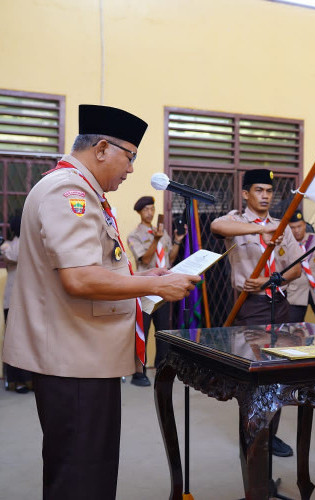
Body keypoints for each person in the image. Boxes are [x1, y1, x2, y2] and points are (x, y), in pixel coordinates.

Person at [1, 104, 200, 500]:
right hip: (74, 359)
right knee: (81, 474)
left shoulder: (80, 190)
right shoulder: (69, 191)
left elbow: (91, 267)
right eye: (131, 157)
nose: (130, 170)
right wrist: (155, 289)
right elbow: (78, 278)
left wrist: (141, 279)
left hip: (83, 355)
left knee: (87, 465)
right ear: (103, 148)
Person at [210, 168, 302, 458]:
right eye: (259, 190)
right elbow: (217, 227)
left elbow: (296, 269)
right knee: (254, 377)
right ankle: (251, 435)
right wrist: (262, 230)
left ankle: (270, 434)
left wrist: (271, 279)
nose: (265, 196)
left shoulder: (282, 225)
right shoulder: (236, 220)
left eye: (269, 191)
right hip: (251, 307)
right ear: (246, 193)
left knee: (279, 374)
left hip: (279, 303)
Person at [126, 195, 186, 385]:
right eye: (146, 210)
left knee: (162, 332)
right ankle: (139, 372)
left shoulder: (162, 232)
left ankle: (162, 369)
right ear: (139, 212)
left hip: (163, 290)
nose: (150, 213)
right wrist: (155, 240)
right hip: (145, 291)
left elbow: (170, 258)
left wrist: (176, 241)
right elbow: (144, 259)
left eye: (152, 209)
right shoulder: (134, 235)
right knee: (142, 332)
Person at [1, 213, 33, 393]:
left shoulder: (21, 242)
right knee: (19, 341)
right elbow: (13, 256)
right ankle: (21, 381)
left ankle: (25, 381)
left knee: (24, 341)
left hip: (23, 300)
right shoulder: (22, 242)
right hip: (19, 300)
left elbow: (12, 255)